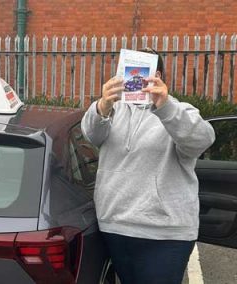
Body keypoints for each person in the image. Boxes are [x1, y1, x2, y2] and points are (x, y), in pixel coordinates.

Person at [81, 48, 215, 284]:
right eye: (127, 71)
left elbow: (201, 140)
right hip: (115, 224)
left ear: (158, 76)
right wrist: (101, 106)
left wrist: (165, 107)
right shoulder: (113, 110)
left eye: (140, 70)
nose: (132, 77)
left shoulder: (178, 111)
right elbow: (91, 135)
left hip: (165, 233)